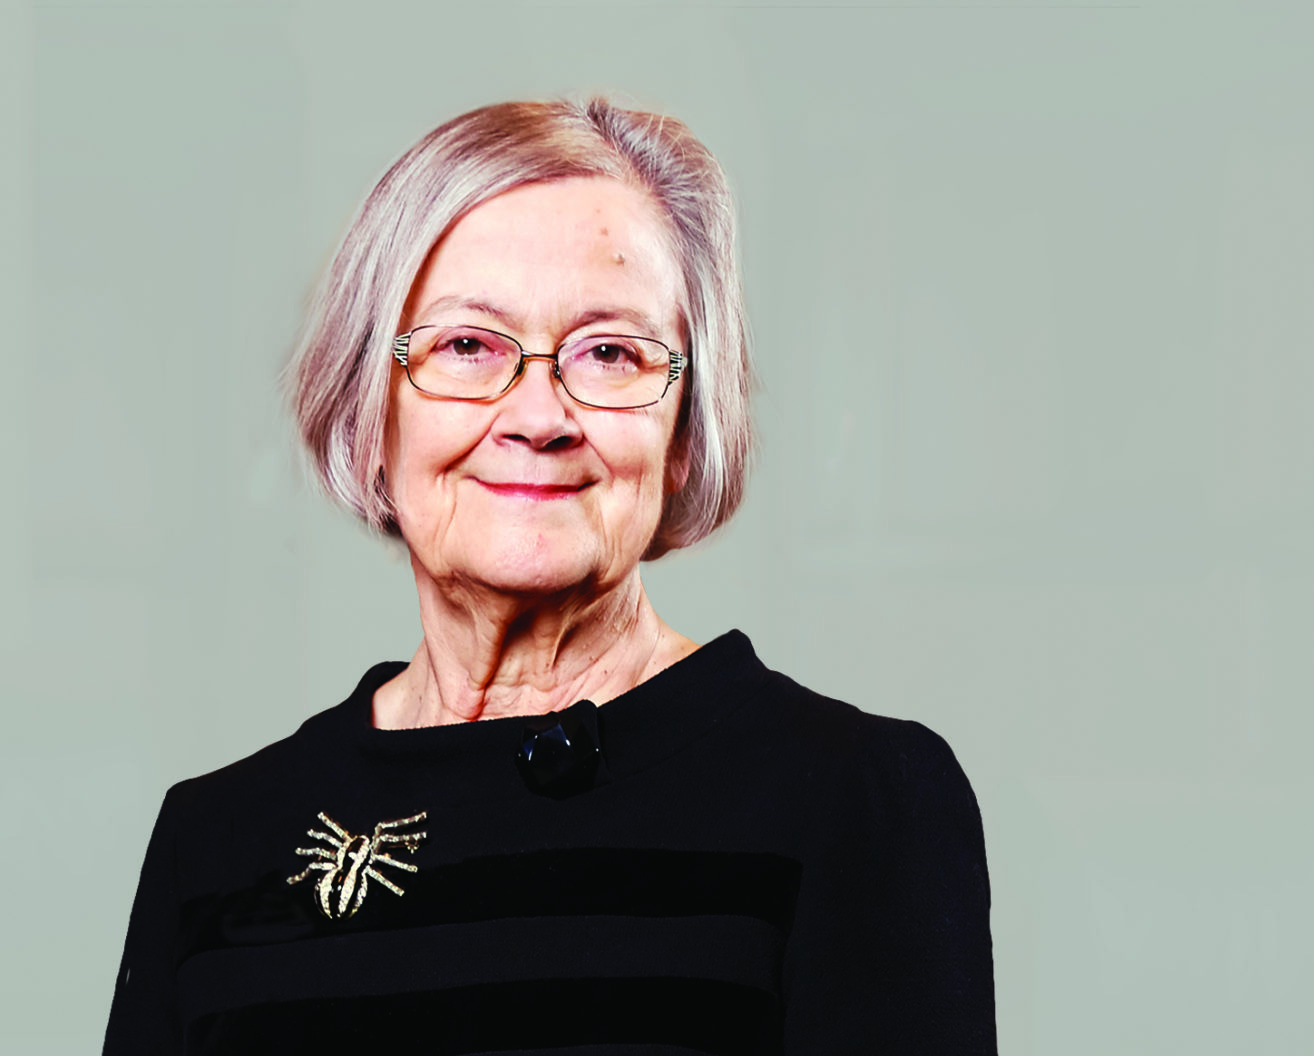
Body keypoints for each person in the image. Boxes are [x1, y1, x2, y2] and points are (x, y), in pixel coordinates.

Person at [102, 97, 996, 1055]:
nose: (537, 417)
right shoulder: (218, 840)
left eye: (609, 353)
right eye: (466, 346)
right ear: (370, 412)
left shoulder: (853, 798)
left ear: (685, 431)